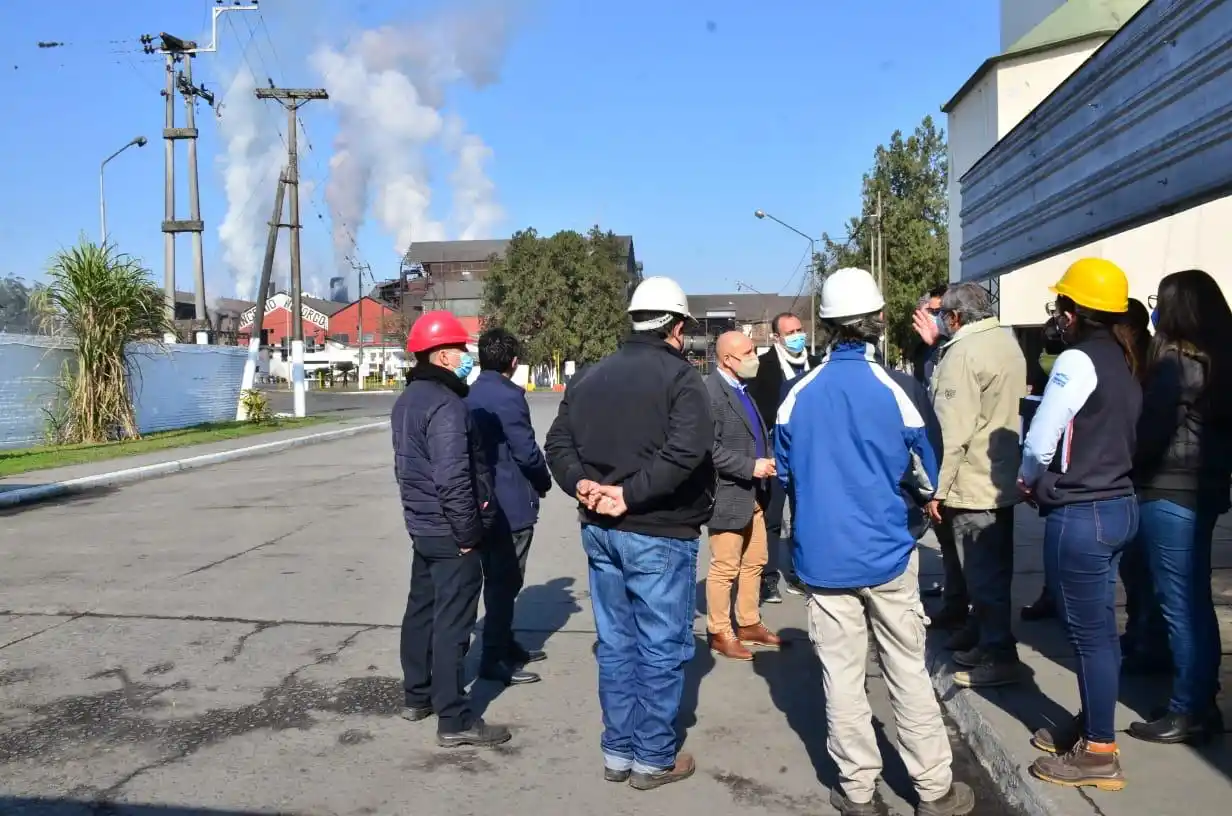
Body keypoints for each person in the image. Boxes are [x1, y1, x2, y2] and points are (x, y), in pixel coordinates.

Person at [777, 267, 974, 816]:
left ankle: (858, 790)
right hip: (888, 554)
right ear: (880, 321)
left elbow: (785, 478)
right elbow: (930, 476)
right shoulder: (902, 390)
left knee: (841, 678)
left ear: (826, 325)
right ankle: (934, 790)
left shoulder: (797, 394)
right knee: (906, 670)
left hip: (822, 558)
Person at [544, 276, 714, 791]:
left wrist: (584, 485)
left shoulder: (589, 377)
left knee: (617, 644)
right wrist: (630, 494)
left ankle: (617, 752)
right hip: (658, 531)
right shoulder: (683, 379)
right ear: (677, 326)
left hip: (601, 530)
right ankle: (653, 758)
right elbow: (685, 453)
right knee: (661, 646)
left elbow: (557, 444)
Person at [1019, 258, 1141, 791]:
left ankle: (1098, 750)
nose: (1057, 315)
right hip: (1118, 505)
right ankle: (1092, 723)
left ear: (1074, 311)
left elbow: (1041, 435)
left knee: (1087, 636)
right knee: (1099, 635)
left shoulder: (1078, 359)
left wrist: (1028, 477)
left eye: (1061, 305)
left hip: (1082, 512)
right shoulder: (1124, 356)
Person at [392, 311, 510, 749]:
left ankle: (416, 695)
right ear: (442, 355)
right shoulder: (446, 404)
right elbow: (453, 477)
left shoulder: (408, 399)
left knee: (421, 609)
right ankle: (454, 717)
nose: (466, 357)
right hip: (450, 530)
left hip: (422, 525)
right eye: (461, 350)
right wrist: (467, 534)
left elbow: (407, 470)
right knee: (453, 623)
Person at [1126, 270, 1232, 744]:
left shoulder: (1174, 361)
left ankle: (1191, 708)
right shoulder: (1220, 360)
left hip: (1169, 490)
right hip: (1204, 488)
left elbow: (1151, 432)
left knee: (1181, 605)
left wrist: (1124, 463)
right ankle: (1195, 696)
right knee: (1193, 601)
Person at [927, 283, 1028, 688]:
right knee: (990, 572)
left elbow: (954, 431)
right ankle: (984, 639)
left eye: (941, 315)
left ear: (954, 317)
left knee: (982, 575)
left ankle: (999, 653)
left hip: (970, 480)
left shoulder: (962, 353)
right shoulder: (1006, 341)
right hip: (998, 473)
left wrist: (938, 488)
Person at [466, 327, 554, 687]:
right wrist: (544, 480)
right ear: (513, 362)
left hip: (481, 500)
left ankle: (505, 642)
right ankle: (492, 657)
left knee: (498, 579)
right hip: (509, 505)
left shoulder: (471, 393)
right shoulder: (508, 397)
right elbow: (526, 451)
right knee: (505, 583)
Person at [704, 330, 781, 660]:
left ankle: (748, 622)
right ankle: (719, 631)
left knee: (755, 562)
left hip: (754, 496)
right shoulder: (710, 393)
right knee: (725, 567)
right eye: (748, 352)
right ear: (727, 360)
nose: (755, 357)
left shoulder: (740, 388)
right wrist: (750, 466)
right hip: (729, 494)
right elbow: (708, 450)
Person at [748, 311, 818, 604]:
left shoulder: (817, 364)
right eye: (789, 332)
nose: (797, 336)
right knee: (773, 517)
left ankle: (802, 574)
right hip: (776, 450)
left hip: (811, 451)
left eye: (800, 330)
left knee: (806, 515)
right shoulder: (763, 368)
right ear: (777, 337)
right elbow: (757, 412)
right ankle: (768, 578)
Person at [911, 285, 967, 624]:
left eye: (939, 311)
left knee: (963, 545)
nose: (933, 317)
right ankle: (955, 601)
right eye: (930, 311)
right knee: (946, 540)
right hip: (936, 454)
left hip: (958, 464)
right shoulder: (925, 350)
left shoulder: (956, 351)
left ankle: (965, 610)